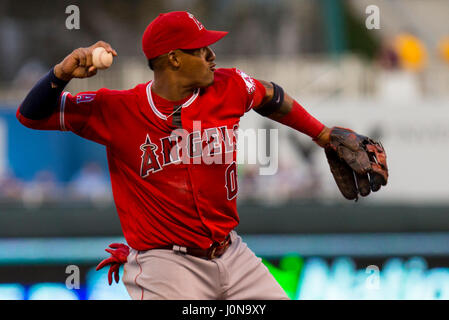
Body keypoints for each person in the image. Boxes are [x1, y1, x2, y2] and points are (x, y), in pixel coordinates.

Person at [16, 11, 387, 300]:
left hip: (232, 252)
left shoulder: (229, 85)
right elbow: (30, 115)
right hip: (166, 263)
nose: (212, 55)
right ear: (174, 59)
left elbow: (271, 96)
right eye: (200, 49)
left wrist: (321, 135)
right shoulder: (117, 109)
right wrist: (60, 74)